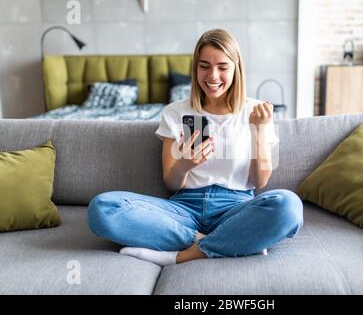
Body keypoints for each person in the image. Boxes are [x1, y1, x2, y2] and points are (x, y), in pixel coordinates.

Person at [87, 29, 303, 267]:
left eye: (223, 67)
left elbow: (260, 181)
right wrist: (185, 164)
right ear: (195, 68)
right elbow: (171, 182)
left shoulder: (257, 111)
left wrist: (259, 131)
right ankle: (230, 242)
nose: (213, 76)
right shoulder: (175, 112)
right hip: (182, 210)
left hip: (236, 209)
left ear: (236, 68)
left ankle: (183, 255)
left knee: (288, 206)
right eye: (204, 66)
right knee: (103, 208)